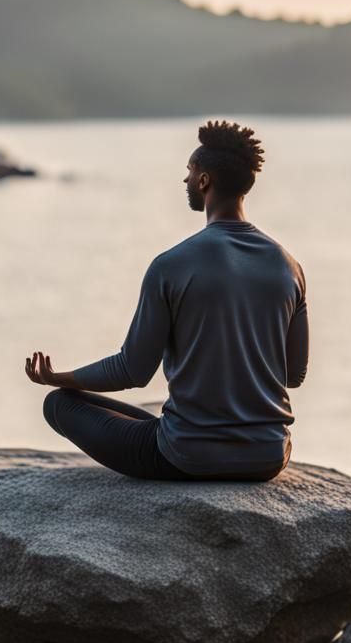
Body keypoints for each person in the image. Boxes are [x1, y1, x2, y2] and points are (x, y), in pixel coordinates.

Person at [25, 119, 308, 482]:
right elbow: (294, 374)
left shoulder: (171, 265)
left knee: (60, 404)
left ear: (204, 180)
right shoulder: (289, 266)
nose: (185, 180)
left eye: (189, 171)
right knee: (156, 419)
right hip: (268, 457)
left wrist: (58, 377)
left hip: (187, 457)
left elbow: (133, 369)